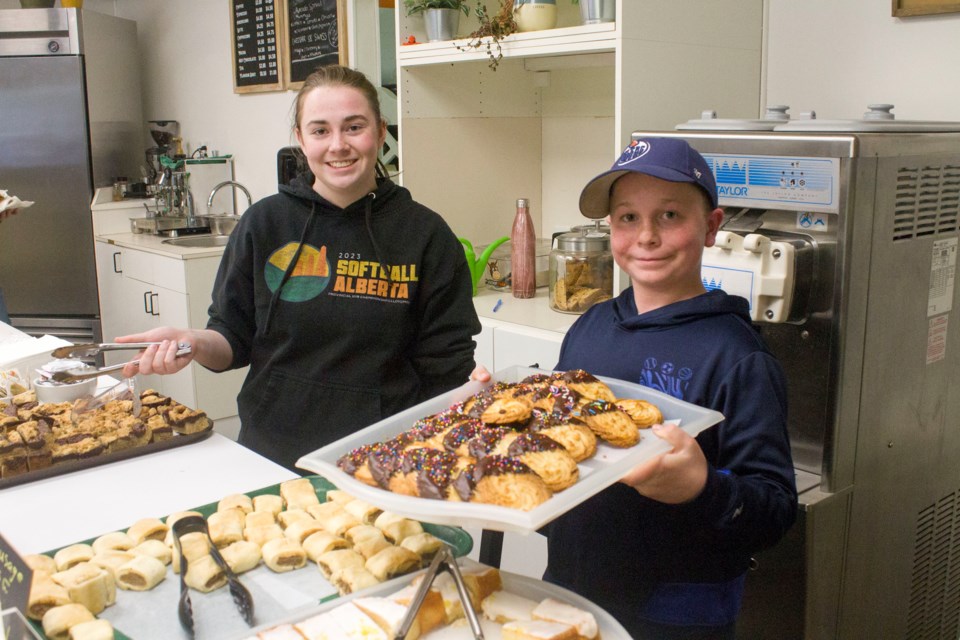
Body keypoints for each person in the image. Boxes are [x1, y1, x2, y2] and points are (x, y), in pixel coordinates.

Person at [476, 137, 797, 638]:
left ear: (711, 227)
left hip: (677, 610)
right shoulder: (593, 324)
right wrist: (503, 406)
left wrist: (702, 488)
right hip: (572, 580)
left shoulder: (737, 357)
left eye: (670, 215)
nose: (646, 236)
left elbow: (774, 508)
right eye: (628, 217)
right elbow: (562, 433)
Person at [117, 65, 481, 472]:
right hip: (271, 451)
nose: (338, 145)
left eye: (354, 127)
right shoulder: (264, 224)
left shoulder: (426, 235)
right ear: (301, 140)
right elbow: (232, 340)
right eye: (320, 130)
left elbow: (448, 370)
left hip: (384, 461)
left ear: (380, 133)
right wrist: (192, 342)